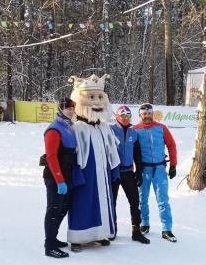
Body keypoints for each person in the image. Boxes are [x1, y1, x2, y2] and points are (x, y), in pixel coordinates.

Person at [67, 74, 121, 252]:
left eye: (99, 97)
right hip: (85, 173)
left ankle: (99, 234)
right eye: (91, 97)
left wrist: (114, 170)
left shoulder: (104, 127)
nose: (97, 103)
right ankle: (78, 237)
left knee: (102, 202)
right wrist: (75, 174)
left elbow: (112, 150)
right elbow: (73, 154)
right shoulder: (77, 128)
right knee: (82, 202)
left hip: (102, 174)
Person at [133, 103, 178, 242]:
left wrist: (173, 165)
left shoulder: (161, 128)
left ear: (153, 114)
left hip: (159, 169)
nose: (147, 116)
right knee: (142, 199)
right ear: (140, 115)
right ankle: (144, 224)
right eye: (144, 114)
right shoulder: (135, 130)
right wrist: (133, 170)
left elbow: (171, 145)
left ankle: (166, 229)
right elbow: (130, 150)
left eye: (149, 113)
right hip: (143, 170)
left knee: (163, 200)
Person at [42, 97, 77, 259]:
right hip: (55, 177)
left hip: (67, 175)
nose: (71, 111)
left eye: (72, 109)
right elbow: (51, 156)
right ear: (61, 109)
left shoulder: (69, 127)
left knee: (64, 206)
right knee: (54, 210)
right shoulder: (54, 129)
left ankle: (53, 237)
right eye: (68, 109)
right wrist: (59, 180)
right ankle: (49, 246)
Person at [111, 105, 149, 244]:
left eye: (128, 116)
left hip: (128, 172)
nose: (126, 119)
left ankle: (136, 231)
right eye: (123, 116)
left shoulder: (134, 133)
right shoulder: (111, 130)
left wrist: (139, 171)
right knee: (111, 202)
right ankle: (112, 229)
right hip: (114, 172)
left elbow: (137, 154)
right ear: (117, 116)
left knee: (135, 201)